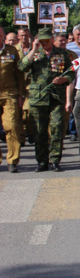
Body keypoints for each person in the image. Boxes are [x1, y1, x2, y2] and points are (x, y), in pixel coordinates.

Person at [19, 27, 73, 172]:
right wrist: (33, 49)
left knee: (57, 128)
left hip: (56, 97)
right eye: (41, 41)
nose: (44, 43)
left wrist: (64, 79)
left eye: (46, 40)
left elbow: (71, 72)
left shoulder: (62, 53)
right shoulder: (34, 53)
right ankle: (42, 161)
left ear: (52, 39)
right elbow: (22, 67)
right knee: (39, 131)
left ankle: (55, 160)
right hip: (38, 98)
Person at [0, 26, 25, 172]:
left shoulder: (11, 51)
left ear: (3, 36)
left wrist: (21, 94)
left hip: (9, 93)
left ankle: (12, 160)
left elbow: (19, 75)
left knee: (12, 126)